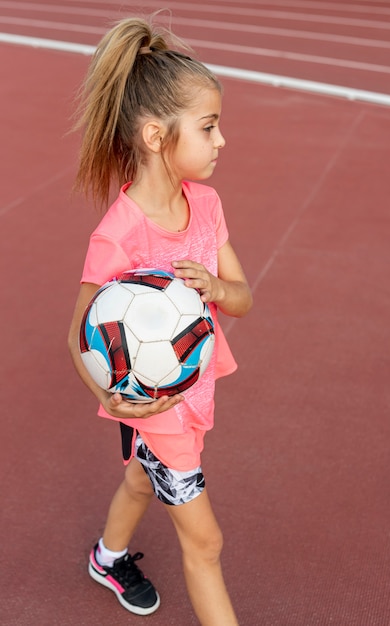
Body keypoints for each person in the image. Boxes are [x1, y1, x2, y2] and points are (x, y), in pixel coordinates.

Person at [67, 16, 253, 626]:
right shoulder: (118, 234)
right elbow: (77, 335)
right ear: (154, 135)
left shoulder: (208, 204)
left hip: (191, 388)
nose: (221, 139)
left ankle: (107, 556)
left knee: (141, 482)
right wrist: (111, 399)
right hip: (153, 408)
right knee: (206, 545)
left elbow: (243, 297)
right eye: (208, 127)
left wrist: (217, 286)